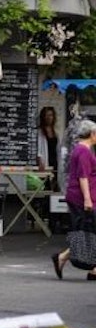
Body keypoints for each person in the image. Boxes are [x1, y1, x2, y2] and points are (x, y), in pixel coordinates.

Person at [53, 120, 96, 280]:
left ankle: (64, 258)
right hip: (82, 198)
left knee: (88, 231)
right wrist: (87, 199)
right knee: (87, 231)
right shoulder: (83, 151)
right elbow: (83, 177)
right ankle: (65, 258)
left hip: (86, 196)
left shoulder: (83, 149)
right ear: (92, 134)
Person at [38, 106, 61, 180]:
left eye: (51, 115)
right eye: (47, 115)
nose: (49, 117)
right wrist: (40, 161)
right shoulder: (40, 132)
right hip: (45, 161)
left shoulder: (56, 132)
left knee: (55, 183)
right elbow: (38, 149)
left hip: (55, 161)